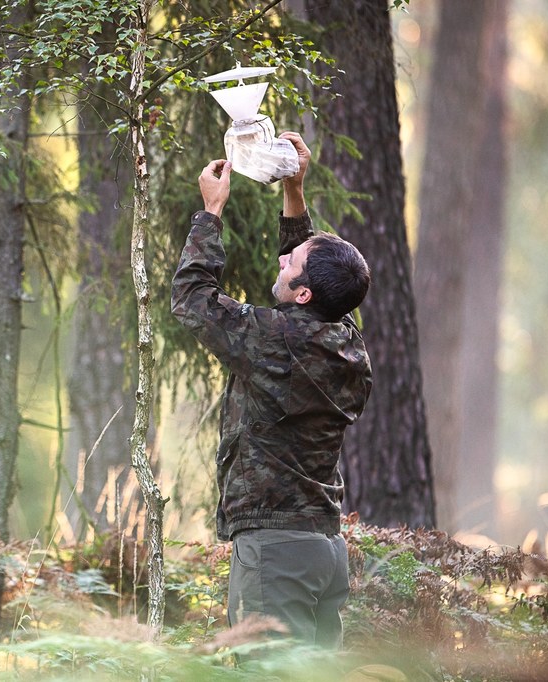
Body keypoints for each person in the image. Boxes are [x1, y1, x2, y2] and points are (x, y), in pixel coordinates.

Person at [170, 132, 372, 648]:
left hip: (274, 550)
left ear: (303, 292)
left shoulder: (274, 341)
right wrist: (293, 191)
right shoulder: (347, 344)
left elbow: (193, 300)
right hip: (324, 548)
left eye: (291, 261)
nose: (281, 260)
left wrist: (210, 213)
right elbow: (307, 288)